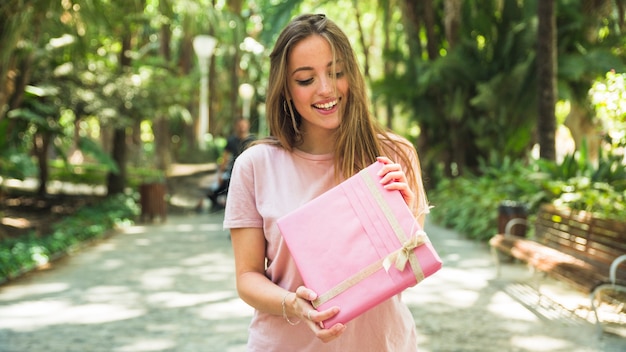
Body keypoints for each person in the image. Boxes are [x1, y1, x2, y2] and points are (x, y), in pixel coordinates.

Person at [223, 14, 430, 351]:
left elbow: (406, 270)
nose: (326, 89)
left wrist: (403, 215)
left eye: (336, 73)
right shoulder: (256, 165)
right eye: (306, 79)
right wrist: (294, 304)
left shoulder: (396, 154)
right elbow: (247, 278)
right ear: (286, 89)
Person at [204, 117, 255, 211]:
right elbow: (225, 158)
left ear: (248, 125)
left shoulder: (253, 141)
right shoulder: (231, 141)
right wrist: (220, 174)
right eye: (240, 125)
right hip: (233, 172)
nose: (242, 128)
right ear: (236, 126)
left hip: (250, 173)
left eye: (244, 125)